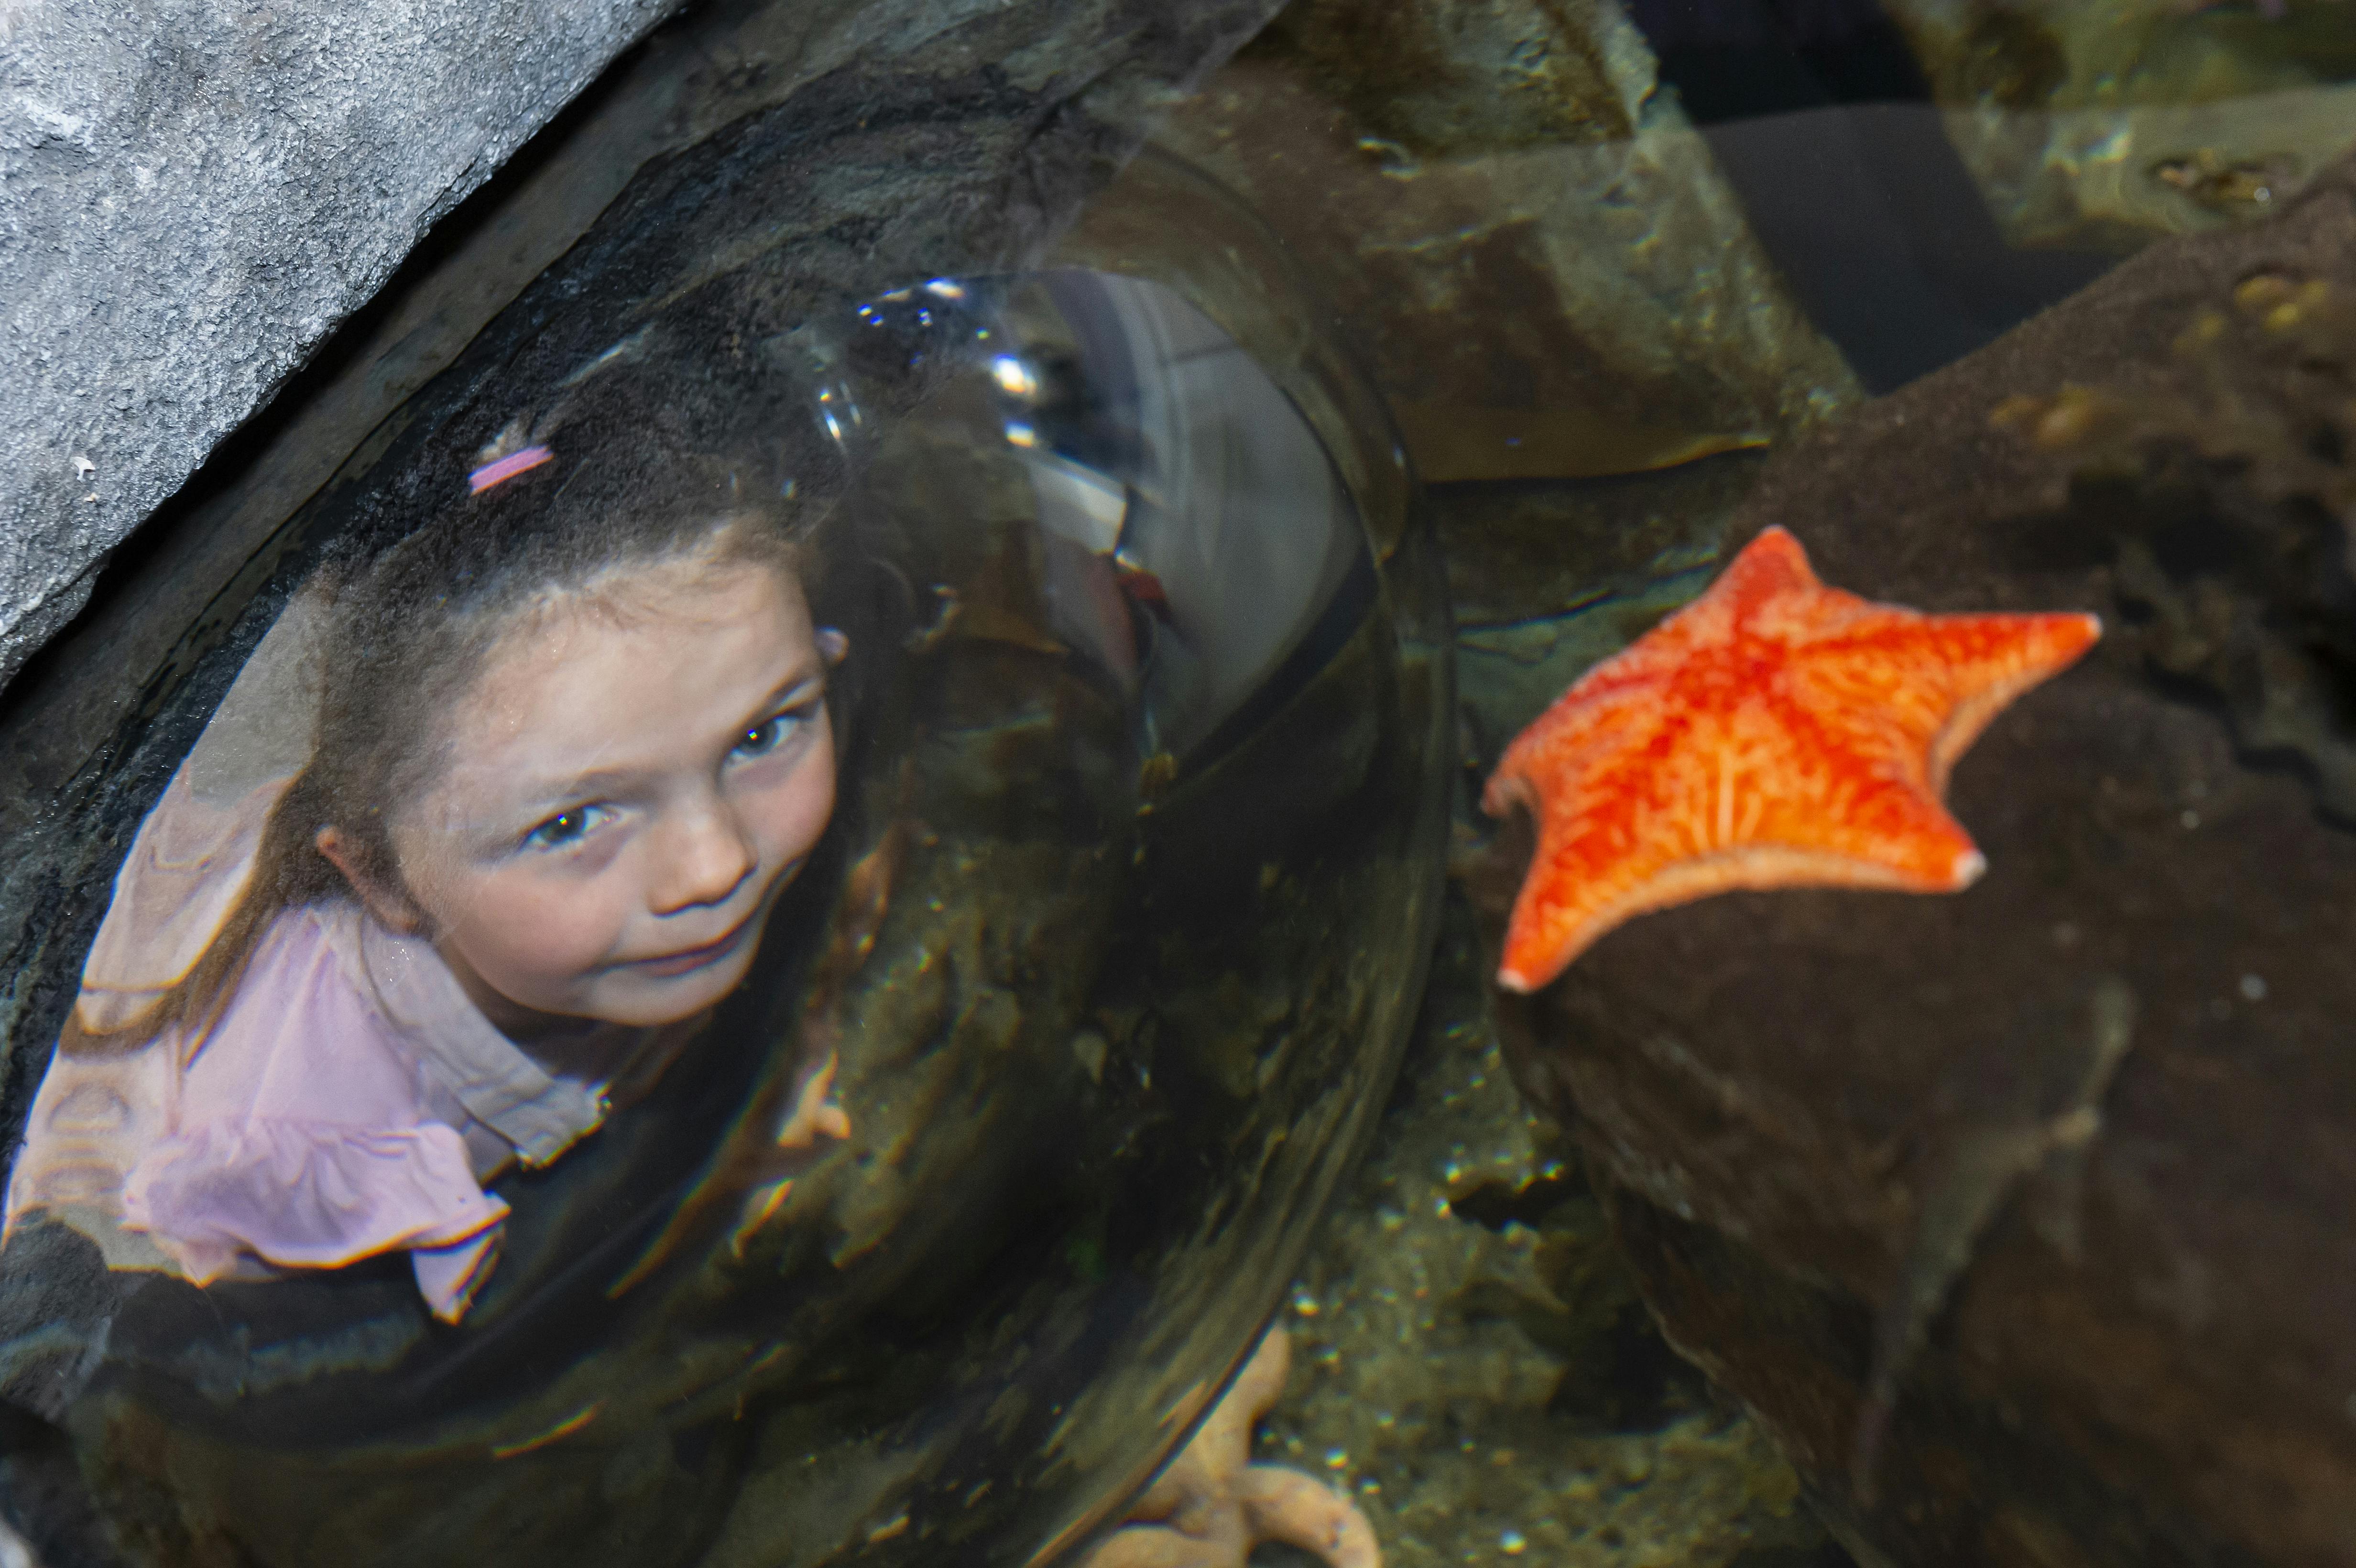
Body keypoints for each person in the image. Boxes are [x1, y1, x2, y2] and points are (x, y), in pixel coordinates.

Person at [1, 362, 853, 1324]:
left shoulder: (593, 899)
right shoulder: (290, 1130)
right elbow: (151, 1297)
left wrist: (790, 1061)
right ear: (382, 878)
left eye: (761, 733)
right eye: (569, 822)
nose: (721, 862)